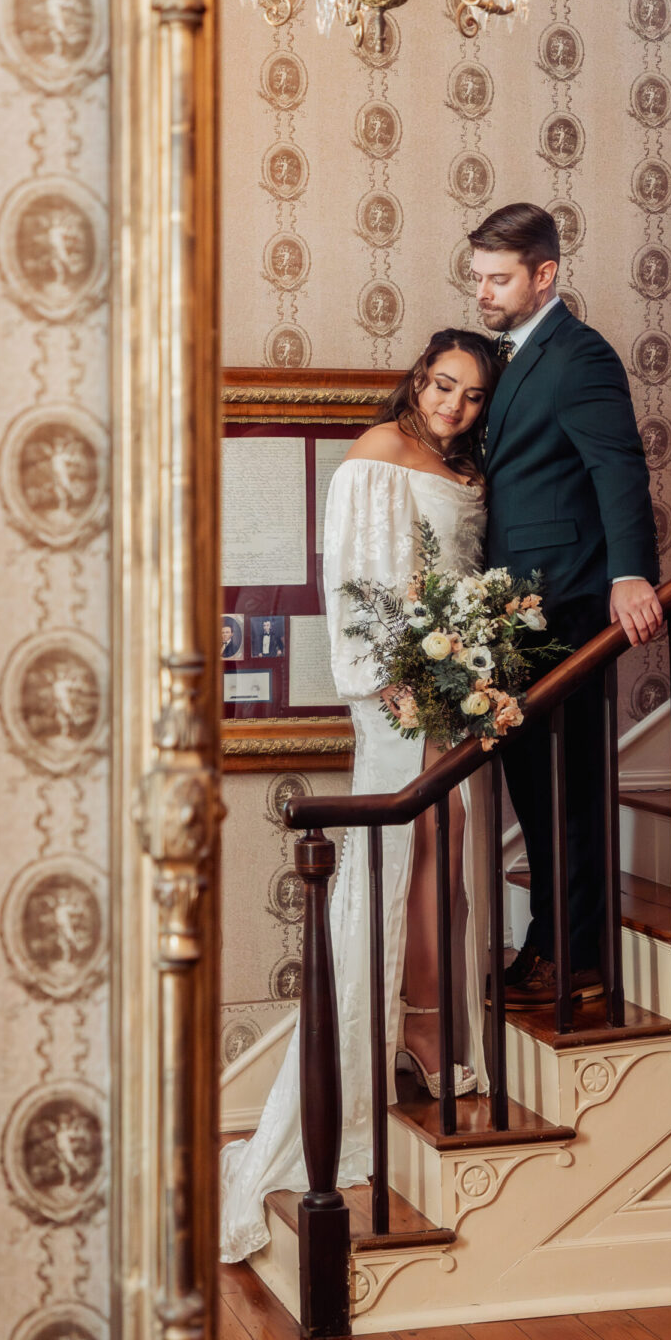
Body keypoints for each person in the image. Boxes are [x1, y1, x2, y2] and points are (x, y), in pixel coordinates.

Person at [220, 329, 501, 1265]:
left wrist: (473, 661)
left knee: (448, 834)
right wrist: (394, 676)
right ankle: (387, 1050)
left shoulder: (460, 460)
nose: (453, 406)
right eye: (443, 385)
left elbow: (456, 576)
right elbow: (362, 583)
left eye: (471, 395)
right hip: (400, 683)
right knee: (402, 843)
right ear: (418, 378)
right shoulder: (375, 457)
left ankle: (426, 1028)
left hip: (455, 674)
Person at [469, 202, 662, 1008]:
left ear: (545, 274)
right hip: (513, 606)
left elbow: (618, 468)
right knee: (532, 787)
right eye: (476, 276)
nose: (481, 292)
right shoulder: (503, 355)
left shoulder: (580, 356)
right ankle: (547, 940)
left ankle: (576, 957)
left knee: (569, 784)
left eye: (498, 277)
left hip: (570, 601)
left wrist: (631, 575)